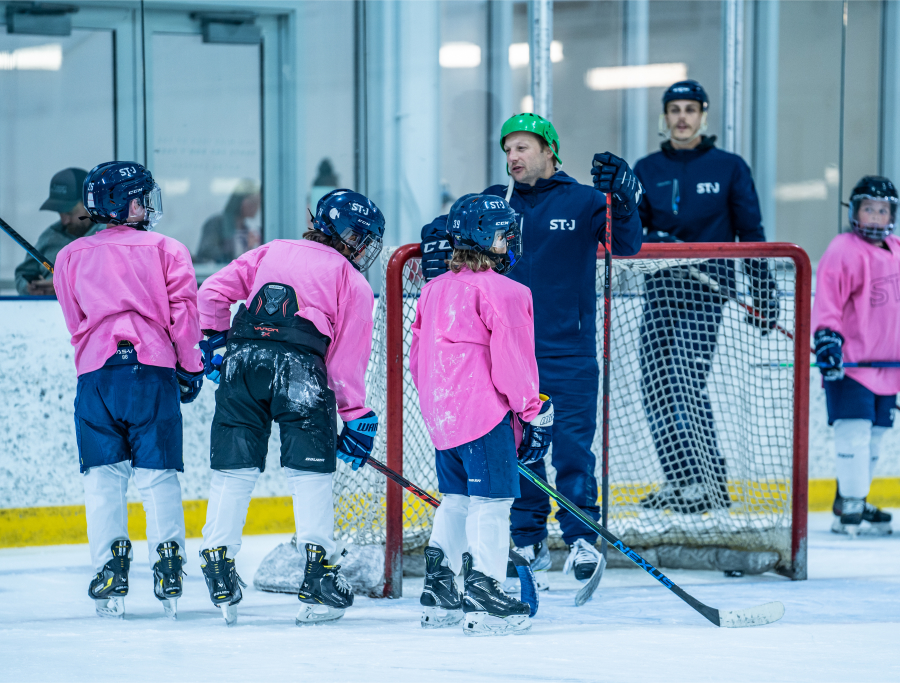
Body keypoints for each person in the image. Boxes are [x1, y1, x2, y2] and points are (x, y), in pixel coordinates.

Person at [419, 113, 643, 589]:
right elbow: (447, 228)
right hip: (505, 356)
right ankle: (528, 537)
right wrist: (434, 233)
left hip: (569, 353)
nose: (512, 158)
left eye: (522, 147)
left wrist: (624, 196)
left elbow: (627, 243)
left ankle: (582, 537)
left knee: (572, 449)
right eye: (507, 150)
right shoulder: (494, 204)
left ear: (549, 152)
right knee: (516, 452)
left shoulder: (583, 200)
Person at [195, 189, 384, 626]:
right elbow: (345, 359)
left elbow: (212, 294)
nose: (362, 247)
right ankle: (318, 572)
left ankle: (217, 558)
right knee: (310, 473)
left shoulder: (272, 250)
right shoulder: (352, 281)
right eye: (358, 237)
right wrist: (355, 416)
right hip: (301, 369)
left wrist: (217, 341)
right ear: (341, 234)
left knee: (233, 467)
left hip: (243, 362)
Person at [52, 161, 205, 619]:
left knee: (103, 477)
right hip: (151, 372)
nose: (148, 204)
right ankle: (168, 565)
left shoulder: (69, 256)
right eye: (142, 197)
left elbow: (74, 320)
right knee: (157, 474)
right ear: (126, 202)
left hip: (95, 378)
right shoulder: (168, 249)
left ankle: (109, 568)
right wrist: (190, 368)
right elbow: (184, 317)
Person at [630, 79, 777, 514]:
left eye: (690, 110)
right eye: (674, 109)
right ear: (665, 116)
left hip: (706, 294)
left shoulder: (729, 167)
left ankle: (709, 481)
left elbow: (750, 233)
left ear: (703, 116)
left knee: (684, 381)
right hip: (660, 292)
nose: (681, 117)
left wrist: (764, 292)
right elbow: (630, 232)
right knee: (654, 386)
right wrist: (649, 235)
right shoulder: (647, 168)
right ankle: (680, 481)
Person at [411, 194, 551, 635]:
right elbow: (513, 362)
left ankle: (441, 590)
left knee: (455, 501)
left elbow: (417, 358)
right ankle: (486, 593)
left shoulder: (433, 289)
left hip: (442, 419)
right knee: (492, 503)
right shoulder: (506, 291)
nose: (509, 241)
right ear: (485, 238)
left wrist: (441, 404)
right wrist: (533, 411)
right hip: (483, 415)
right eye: (503, 233)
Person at [811, 175, 900, 536]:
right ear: (855, 211)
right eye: (868, 209)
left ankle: (854, 499)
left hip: (889, 365)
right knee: (853, 434)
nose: (875, 217)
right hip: (852, 366)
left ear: (893, 214)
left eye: (882, 210)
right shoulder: (842, 249)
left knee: (877, 436)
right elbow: (828, 305)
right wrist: (828, 341)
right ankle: (850, 506)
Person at [15, 167, 98, 296]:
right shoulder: (50, 236)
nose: (65, 221)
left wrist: (65, 288)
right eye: (60, 213)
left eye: (70, 212)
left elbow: (115, 284)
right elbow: (23, 274)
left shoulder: (114, 238)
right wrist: (28, 288)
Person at [194, 179, 261, 263]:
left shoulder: (246, 229)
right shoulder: (216, 224)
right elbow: (207, 251)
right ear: (242, 202)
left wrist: (251, 248)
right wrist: (228, 256)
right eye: (254, 203)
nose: (257, 208)